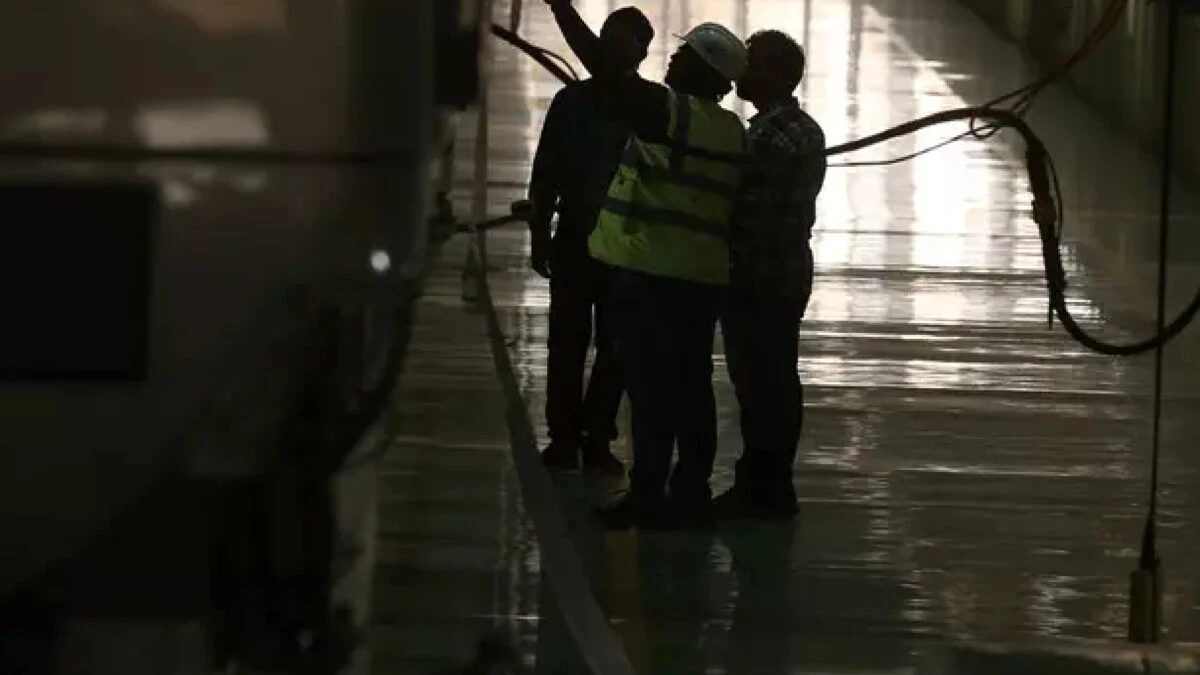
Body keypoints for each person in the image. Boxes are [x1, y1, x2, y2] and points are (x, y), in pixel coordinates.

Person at [542, 0, 748, 529]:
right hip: (702, 279)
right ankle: (692, 490)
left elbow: (604, 69)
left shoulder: (669, 113)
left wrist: (560, 7)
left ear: (701, 70)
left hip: (653, 273)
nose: (672, 60)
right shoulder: (731, 130)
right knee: (693, 387)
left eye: (684, 55)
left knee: (650, 390)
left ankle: (648, 493)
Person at [528, 7, 654, 477]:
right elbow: (545, 172)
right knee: (567, 344)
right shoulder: (572, 102)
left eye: (623, 41)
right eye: (608, 38)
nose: (612, 48)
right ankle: (565, 437)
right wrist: (539, 232)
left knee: (614, 348)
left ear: (642, 52)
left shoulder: (648, 104)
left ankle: (595, 437)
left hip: (624, 247)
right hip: (576, 240)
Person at [717, 30, 827, 521]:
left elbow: (746, 209)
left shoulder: (768, 136)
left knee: (760, 385)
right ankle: (770, 483)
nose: (741, 70)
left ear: (777, 76)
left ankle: (762, 487)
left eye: (753, 62)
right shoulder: (798, 129)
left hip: (758, 275)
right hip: (785, 271)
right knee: (776, 380)